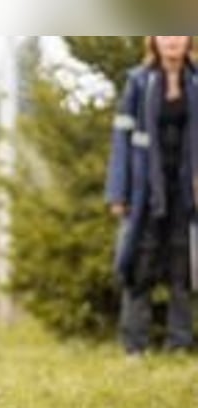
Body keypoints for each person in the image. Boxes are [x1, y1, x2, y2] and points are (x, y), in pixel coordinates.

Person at [107, 36, 198, 355]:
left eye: (178, 34)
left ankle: (180, 344)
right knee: (139, 267)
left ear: (189, 41)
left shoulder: (196, 82)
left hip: (186, 193)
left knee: (182, 270)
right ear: (154, 42)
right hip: (145, 192)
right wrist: (118, 192)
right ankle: (135, 347)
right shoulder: (138, 82)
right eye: (165, 34)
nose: (172, 41)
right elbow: (121, 141)